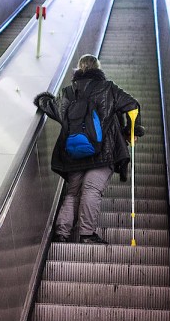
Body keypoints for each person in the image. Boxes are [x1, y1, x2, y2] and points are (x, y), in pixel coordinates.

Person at [33, 54, 140, 245]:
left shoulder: (68, 92)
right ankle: (87, 235)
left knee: (73, 193)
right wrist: (131, 132)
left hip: (74, 152)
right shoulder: (108, 88)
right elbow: (132, 106)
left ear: (78, 68)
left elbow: (52, 108)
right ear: (98, 68)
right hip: (103, 152)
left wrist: (42, 99)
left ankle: (62, 234)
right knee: (91, 189)